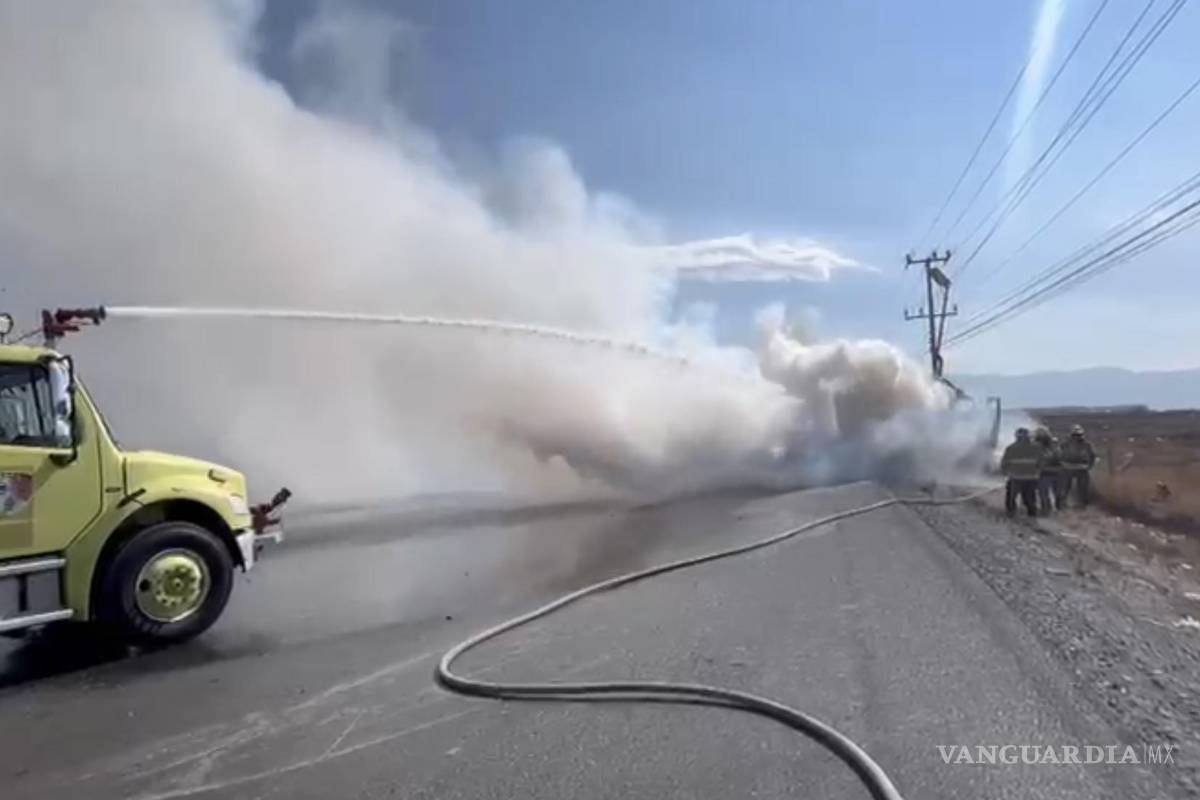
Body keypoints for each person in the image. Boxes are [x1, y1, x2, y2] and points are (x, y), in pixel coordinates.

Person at [1001, 427, 1042, 517]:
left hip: (1016, 478)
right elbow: (1041, 463)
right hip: (1030, 478)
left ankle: (1011, 514)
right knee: (1029, 498)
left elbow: (1004, 463)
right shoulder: (1036, 448)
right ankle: (1032, 514)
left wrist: (1005, 472)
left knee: (1012, 498)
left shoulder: (1011, 448)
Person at [1060, 424, 1097, 507]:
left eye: (1078, 435)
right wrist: (1061, 464)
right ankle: (1063, 501)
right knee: (1065, 486)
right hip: (1067, 466)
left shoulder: (1086, 444)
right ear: (1071, 435)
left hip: (1082, 467)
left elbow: (1092, 456)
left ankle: (1083, 502)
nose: (1077, 437)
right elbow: (1059, 453)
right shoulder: (1065, 443)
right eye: (1075, 435)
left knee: (1083, 487)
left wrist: (1089, 466)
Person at [1034, 428, 1063, 515]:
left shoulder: (1054, 447)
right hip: (1045, 473)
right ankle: (1046, 509)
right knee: (1043, 492)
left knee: (1057, 493)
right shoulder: (1037, 447)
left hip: (1055, 472)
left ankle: (1057, 508)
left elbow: (1059, 459)